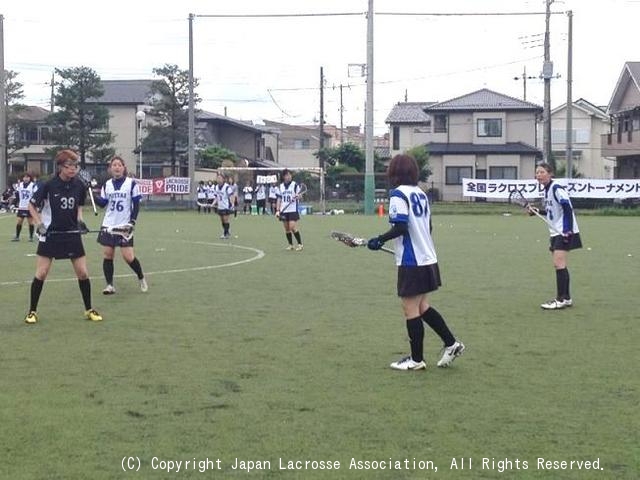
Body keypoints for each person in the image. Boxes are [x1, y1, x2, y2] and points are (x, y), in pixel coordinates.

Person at [367, 154, 464, 371]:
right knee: (422, 306)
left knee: (410, 308)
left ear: (394, 173)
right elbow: (427, 227)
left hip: (413, 261)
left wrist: (379, 239)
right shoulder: (421, 193)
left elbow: (401, 227)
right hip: (428, 257)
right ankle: (451, 343)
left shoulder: (398, 194)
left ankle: (416, 359)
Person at [24, 149, 102, 324]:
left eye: (75, 166)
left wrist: (80, 222)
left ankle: (89, 309)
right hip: (50, 234)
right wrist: (39, 225)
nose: (73, 169)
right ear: (60, 167)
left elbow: (78, 207)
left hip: (71, 234)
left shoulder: (79, 185)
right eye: (69, 166)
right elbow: (31, 206)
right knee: (42, 273)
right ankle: (32, 311)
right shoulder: (48, 185)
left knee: (82, 273)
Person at [532, 162, 582, 310]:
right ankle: (566, 298)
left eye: (542, 172)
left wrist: (566, 230)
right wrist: (537, 211)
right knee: (560, 265)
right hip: (555, 231)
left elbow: (567, 209)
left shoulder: (556, 188)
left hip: (563, 231)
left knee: (558, 263)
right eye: (537, 173)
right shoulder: (547, 191)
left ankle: (560, 299)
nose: (539, 175)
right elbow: (552, 212)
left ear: (550, 174)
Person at [96, 156, 148, 295]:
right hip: (108, 224)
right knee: (108, 255)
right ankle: (109, 285)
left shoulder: (131, 184)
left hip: (124, 225)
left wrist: (133, 221)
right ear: (110, 168)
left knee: (128, 257)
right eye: (114, 165)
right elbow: (102, 204)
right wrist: (93, 194)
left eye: (119, 165)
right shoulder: (107, 185)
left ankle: (141, 277)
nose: (117, 167)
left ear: (124, 167)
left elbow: (136, 204)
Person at [275, 169, 303, 251]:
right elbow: (279, 199)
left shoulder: (294, 185)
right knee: (287, 229)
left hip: (293, 209)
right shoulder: (280, 186)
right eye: (287, 175)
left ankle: (300, 244)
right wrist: (277, 210)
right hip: (284, 209)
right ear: (284, 177)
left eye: (290, 175)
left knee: (292, 227)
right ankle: (290, 245)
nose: (289, 176)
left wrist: (298, 197)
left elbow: (300, 195)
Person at [12, 172, 38, 242]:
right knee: (19, 221)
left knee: (30, 222)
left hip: (29, 206)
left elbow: (36, 195)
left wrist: (35, 204)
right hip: (22, 206)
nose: (26, 178)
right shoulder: (20, 185)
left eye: (27, 177)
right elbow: (17, 195)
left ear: (30, 178)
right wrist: (14, 203)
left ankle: (31, 237)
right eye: (24, 177)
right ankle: (17, 236)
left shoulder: (33, 185)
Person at [213, 173, 235, 239]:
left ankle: (225, 234)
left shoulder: (227, 187)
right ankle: (227, 231)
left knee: (225, 219)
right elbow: (216, 197)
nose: (219, 179)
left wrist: (232, 204)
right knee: (222, 220)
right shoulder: (216, 187)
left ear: (223, 179)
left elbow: (231, 196)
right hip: (220, 206)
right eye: (218, 178)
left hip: (226, 206)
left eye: (220, 178)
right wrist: (213, 203)